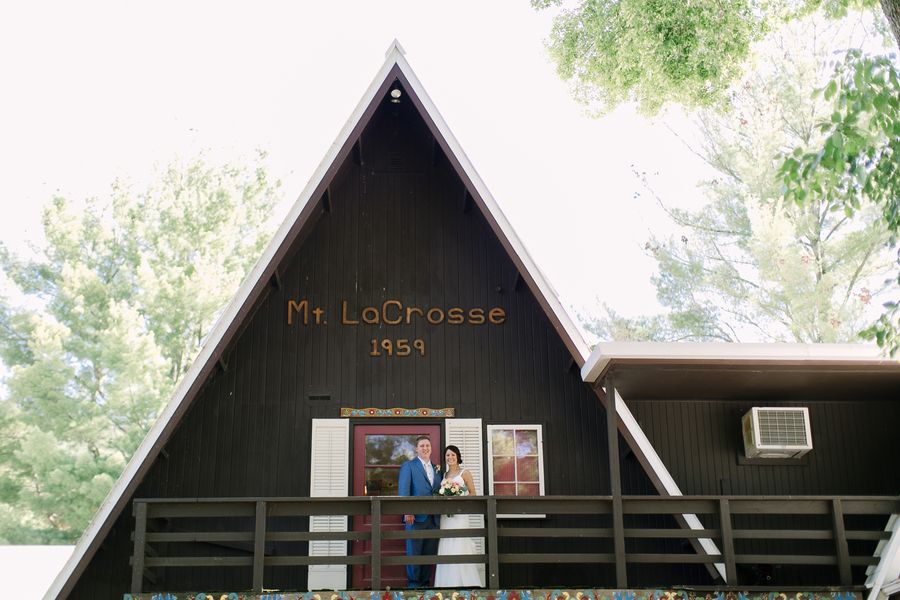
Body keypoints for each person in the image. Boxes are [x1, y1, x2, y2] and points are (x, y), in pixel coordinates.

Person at [434, 445, 484, 588]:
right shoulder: (443, 476)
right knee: (447, 543)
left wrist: (459, 500)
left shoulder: (465, 473)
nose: (450, 458)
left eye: (453, 455)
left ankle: (465, 583)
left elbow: (473, 493)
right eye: (447, 455)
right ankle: (446, 584)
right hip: (447, 517)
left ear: (458, 457)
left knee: (460, 543)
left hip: (460, 516)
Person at [397, 435, 441, 588]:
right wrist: (407, 511)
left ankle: (425, 585)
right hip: (415, 518)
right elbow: (403, 490)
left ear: (431, 448)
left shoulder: (437, 468)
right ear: (416, 449)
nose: (425, 448)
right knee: (414, 554)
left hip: (433, 519)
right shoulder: (409, 466)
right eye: (422, 446)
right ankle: (414, 586)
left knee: (429, 554)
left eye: (427, 445)